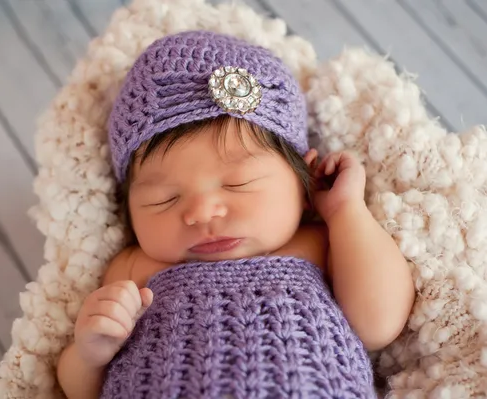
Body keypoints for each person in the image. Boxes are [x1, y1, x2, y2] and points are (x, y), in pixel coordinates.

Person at [56, 30, 415, 398]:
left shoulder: (320, 244)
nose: (202, 212)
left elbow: (379, 323)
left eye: (238, 184)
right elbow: (81, 390)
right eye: (165, 199)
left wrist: (345, 211)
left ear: (304, 183)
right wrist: (89, 353)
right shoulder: (134, 270)